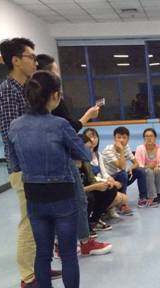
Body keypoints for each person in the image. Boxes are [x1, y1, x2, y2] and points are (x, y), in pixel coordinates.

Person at [8, 70, 92, 288]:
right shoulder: (60, 125)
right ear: (54, 96)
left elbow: (14, 163)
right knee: (67, 253)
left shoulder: (15, 126)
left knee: (42, 252)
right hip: (62, 195)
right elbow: (85, 155)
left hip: (34, 197)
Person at [36, 54, 112, 256]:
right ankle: (80, 242)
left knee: (58, 203)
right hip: (61, 160)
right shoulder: (55, 112)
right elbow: (70, 128)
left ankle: (63, 244)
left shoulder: (28, 119)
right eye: (56, 72)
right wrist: (88, 116)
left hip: (43, 165)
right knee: (77, 200)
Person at [0, 37, 50, 288]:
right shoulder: (8, 91)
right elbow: (12, 134)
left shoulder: (27, 88)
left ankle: (40, 269)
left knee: (41, 220)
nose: (35, 62)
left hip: (37, 166)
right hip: (24, 168)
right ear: (16, 60)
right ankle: (28, 277)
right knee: (29, 221)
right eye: (31, 57)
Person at [82, 127, 133, 216]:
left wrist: (109, 179)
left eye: (95, 137)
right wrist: (108, 182)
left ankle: (107, 209)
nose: (93, 139)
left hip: (100, 181)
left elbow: (104, 173)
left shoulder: (98, 154)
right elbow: (91, 177)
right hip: (91, 185)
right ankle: (97, 214)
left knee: (122, 181)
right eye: (90, 137)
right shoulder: (83, 156)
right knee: (116, 189)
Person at [102, 127, 151, 208]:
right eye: (119, 137)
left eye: (124, 138)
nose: (121, 140)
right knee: (123, 173)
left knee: (140, 171)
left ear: (128, 139)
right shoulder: (108, 150)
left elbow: (136, 163)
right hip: (110, 180)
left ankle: (143, 198)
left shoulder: (126, 147)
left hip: (122, 178)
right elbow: (122, 167)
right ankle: (122, 204)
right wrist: (121, 150)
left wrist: (131, 168)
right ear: (114, 138)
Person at [135, 128, 160, 205]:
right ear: (144, 138)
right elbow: (138, 164)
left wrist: (158, 166)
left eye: (151, 136)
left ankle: (158, 193)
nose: (149, 138)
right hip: (145, 170)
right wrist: (149, 166)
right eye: (147, 136)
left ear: (155, 137)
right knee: (149, 172)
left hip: (155, 169)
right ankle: (152, 196)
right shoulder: (139, 148)